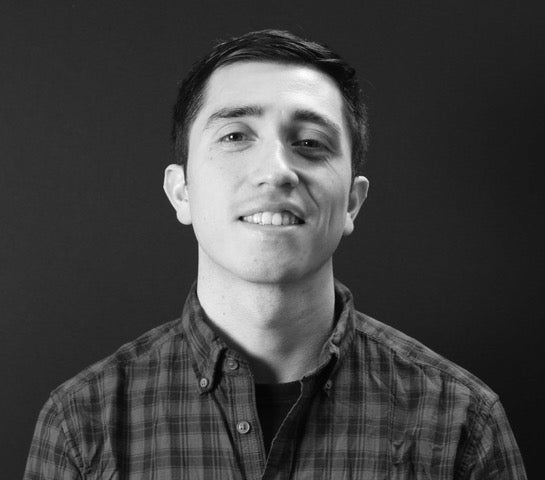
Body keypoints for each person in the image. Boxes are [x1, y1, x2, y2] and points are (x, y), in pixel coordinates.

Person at [24, 29, 527, 479]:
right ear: (182, 192)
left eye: (309, 142)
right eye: (235, 136)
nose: (276, 170)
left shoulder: (461, 420)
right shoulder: (82, 424)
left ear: (352, 203)